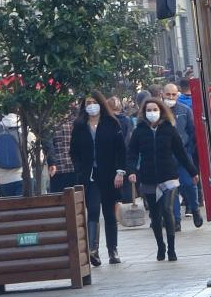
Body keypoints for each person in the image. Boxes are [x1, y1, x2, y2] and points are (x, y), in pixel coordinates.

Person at [128, 99, 199, 262]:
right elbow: (131, 153)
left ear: (161, 111)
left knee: (167, 210)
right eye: (148, 110)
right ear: (144, 113)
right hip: (148, 177)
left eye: (155, 109)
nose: (152, 113)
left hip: (169, 177)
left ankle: (172, 249)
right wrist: (131, 171)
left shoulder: (169, 129)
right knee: (155, 214)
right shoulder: (139, 131)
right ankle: (161, 246)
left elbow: (181, 152)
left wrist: (192, 172)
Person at [70, 92, 127, 266]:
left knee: (109, 213)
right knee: (93, 210)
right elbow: (74, 152)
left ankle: (113, 250)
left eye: (94, 102)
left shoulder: (111, 123)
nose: (91, 105)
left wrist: (120, 171)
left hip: (110, 175)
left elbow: (121, 150)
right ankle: (93, 250)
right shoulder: (80, 126)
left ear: (101, 104)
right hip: (90, 176)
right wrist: (80, 170)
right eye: (88, 102)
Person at [163, 83, 203, 230]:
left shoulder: (185, 110)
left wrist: (189, 150)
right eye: (168, 94)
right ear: (163, 94)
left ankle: (195, 209)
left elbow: (192, 132)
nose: (171, 97)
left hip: (184, 155)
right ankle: (176, 220)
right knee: (171, 189)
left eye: (173, 94)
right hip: (167, 157)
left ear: (178, 94)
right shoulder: (159, 111)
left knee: (189, 184)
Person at [0, 113, 25, 197]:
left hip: (4, 178)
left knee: (10, 207)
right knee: (25, 207)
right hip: (24, 175)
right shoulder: (24, 129)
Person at [47, 107, 78, 193]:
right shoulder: (76, 121)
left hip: (59, 168)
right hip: (67, 168)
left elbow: (48, 145)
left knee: (59, 200)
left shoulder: (50, 122)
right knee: (75, 200)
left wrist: (52, 162)